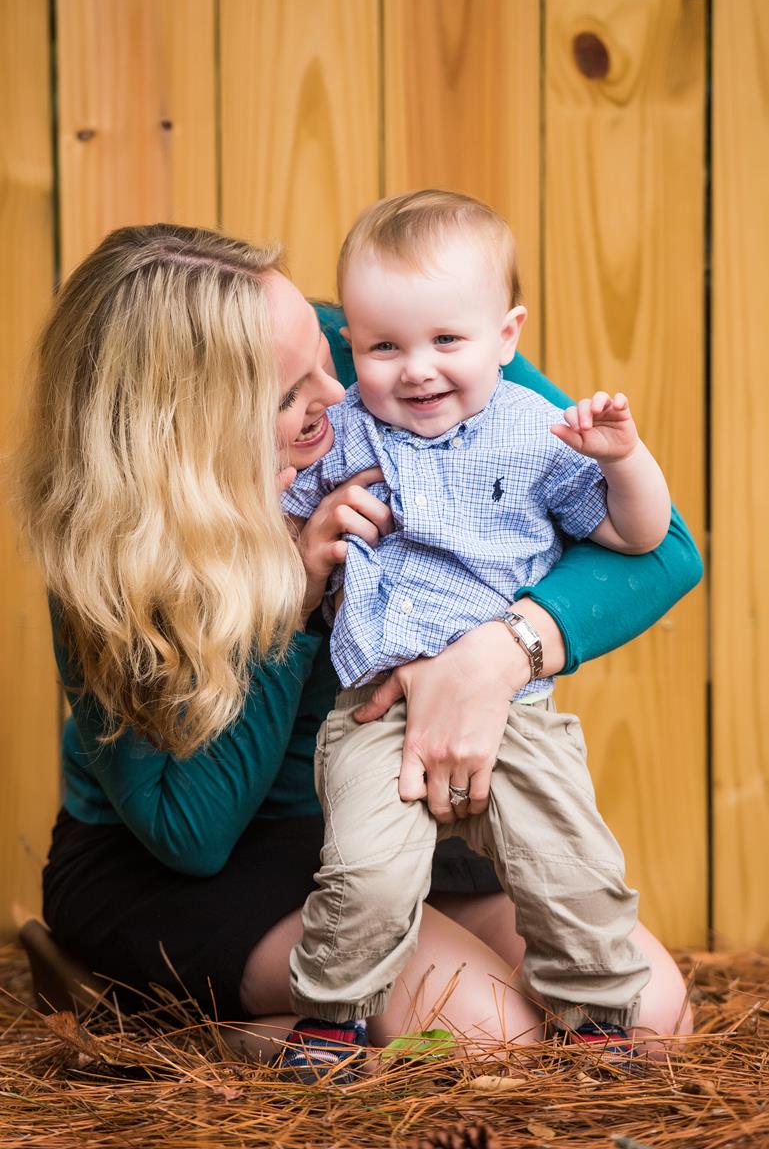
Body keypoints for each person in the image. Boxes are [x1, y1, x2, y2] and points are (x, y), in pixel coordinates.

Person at [11, 221, 699, 1068]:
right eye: (290, 394)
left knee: (651, 1018)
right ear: (183, 436)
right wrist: (296, 595)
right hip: (195, 863)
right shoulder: (105, 543)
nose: (339, 392)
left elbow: (664, 546)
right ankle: (206, 1041)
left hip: (393, 811)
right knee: (492, 1041)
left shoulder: (392, 343)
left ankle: (315, 1036)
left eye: (328, 352)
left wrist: (500, 650)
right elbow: (189, 830)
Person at [277, 189, 678, 1080]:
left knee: (571, 869)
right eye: (384, 346)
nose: (414, 370)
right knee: (367, 876)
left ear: (507, 335)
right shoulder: (338, 435)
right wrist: (301, 551)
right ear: (354, 347)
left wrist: (624, 460)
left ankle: (599, 1022)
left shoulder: (536, 434)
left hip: (518, 714)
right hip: (376, 713)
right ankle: (329, 1022)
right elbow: (265, 543)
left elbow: (640, 538)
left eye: (445, 341)